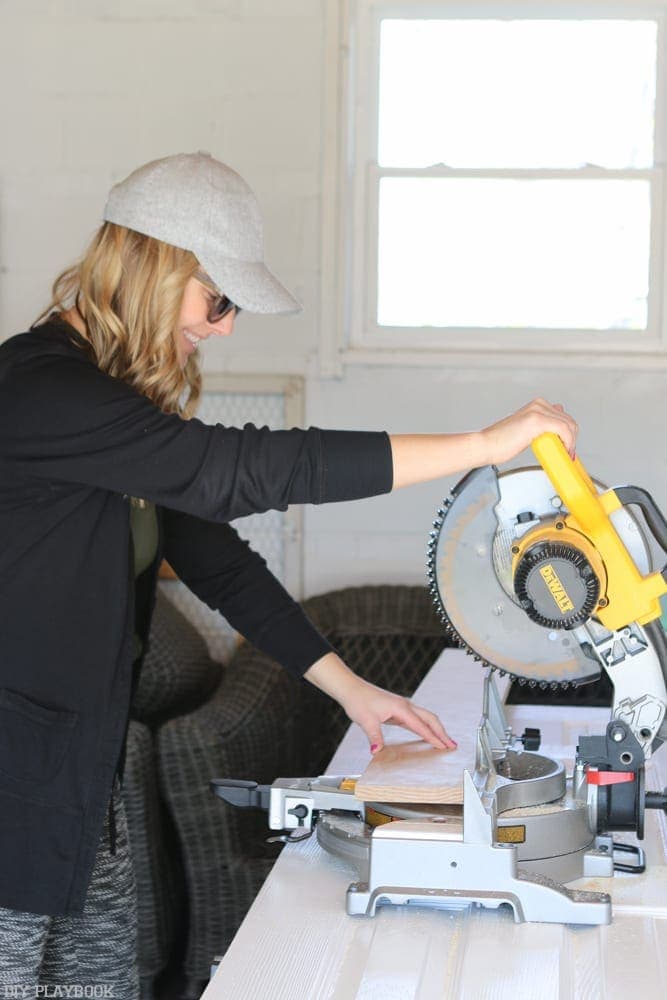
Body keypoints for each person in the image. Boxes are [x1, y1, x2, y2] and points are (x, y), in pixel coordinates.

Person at [0, 152, 578, 995]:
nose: (225, 326)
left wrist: (351, 690)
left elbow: (220, 560)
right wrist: (482, 447)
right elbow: (246, 470)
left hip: (77, 773)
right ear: (159, 267)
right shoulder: (45, 394)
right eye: (219, 299)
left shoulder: (117, 411)